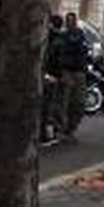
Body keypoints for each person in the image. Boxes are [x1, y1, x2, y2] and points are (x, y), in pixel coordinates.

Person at [55, 12, 89, 141]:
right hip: (67, 71)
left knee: (78, 103)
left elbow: (85, 52)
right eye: (68, 20)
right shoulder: (62, 37)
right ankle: (63, 129)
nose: (70, 23)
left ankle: (70, 128)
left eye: (72, 20)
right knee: (64, 102)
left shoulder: (81, 35)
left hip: (79, 71)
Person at [41, 15, 65, 144]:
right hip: (52, 76)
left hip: (50, 75)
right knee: (50, 106)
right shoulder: (58, 39)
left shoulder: (53, 39)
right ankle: (49, 133)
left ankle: (49, 132)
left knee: (49, 106)